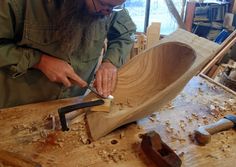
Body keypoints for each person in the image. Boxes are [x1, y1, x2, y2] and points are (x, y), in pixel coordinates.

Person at [0, 0, 136, 108]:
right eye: (103, 4)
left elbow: (125, 33)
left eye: (115, 7)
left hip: (71, 105)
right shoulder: (19, 3)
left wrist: (110, 62)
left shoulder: (110, 8)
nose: (108, 13)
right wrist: (39, 61)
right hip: (19, 107)